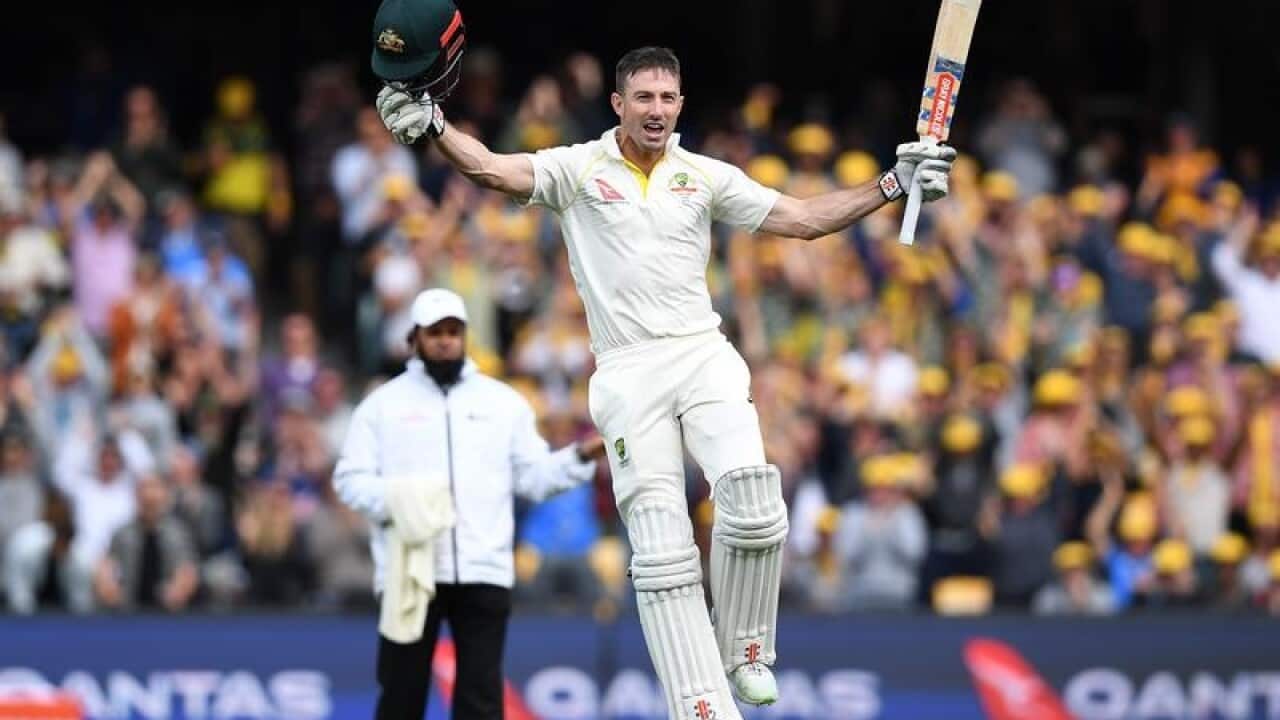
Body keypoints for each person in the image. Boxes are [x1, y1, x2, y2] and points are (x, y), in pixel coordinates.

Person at [370, 3, 955, 713]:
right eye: (643, 97)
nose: (656, 109)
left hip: (702, 353)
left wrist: (893, 184)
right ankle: (700, 704)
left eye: (668, 97)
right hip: (626, 370)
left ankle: (746, 650)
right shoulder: (578, 168)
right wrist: (435, 128)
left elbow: (802, 220)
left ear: (681, 103)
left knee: (755, 501)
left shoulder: (703, 175)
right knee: (662, 550)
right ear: (619, 103)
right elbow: (492, 169)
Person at [333, 287, 606, 720]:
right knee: (401, 696)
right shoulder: (382, 406)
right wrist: (405, 502)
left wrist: (579, 457)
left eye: (453, 331)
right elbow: (350, 481)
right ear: (414, 338)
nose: (445, 341)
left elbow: (534, 477)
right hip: (410, 569)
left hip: (483, 567)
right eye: (435, 332)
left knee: (481, 701)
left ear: (465, 336)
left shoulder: (502, 403)